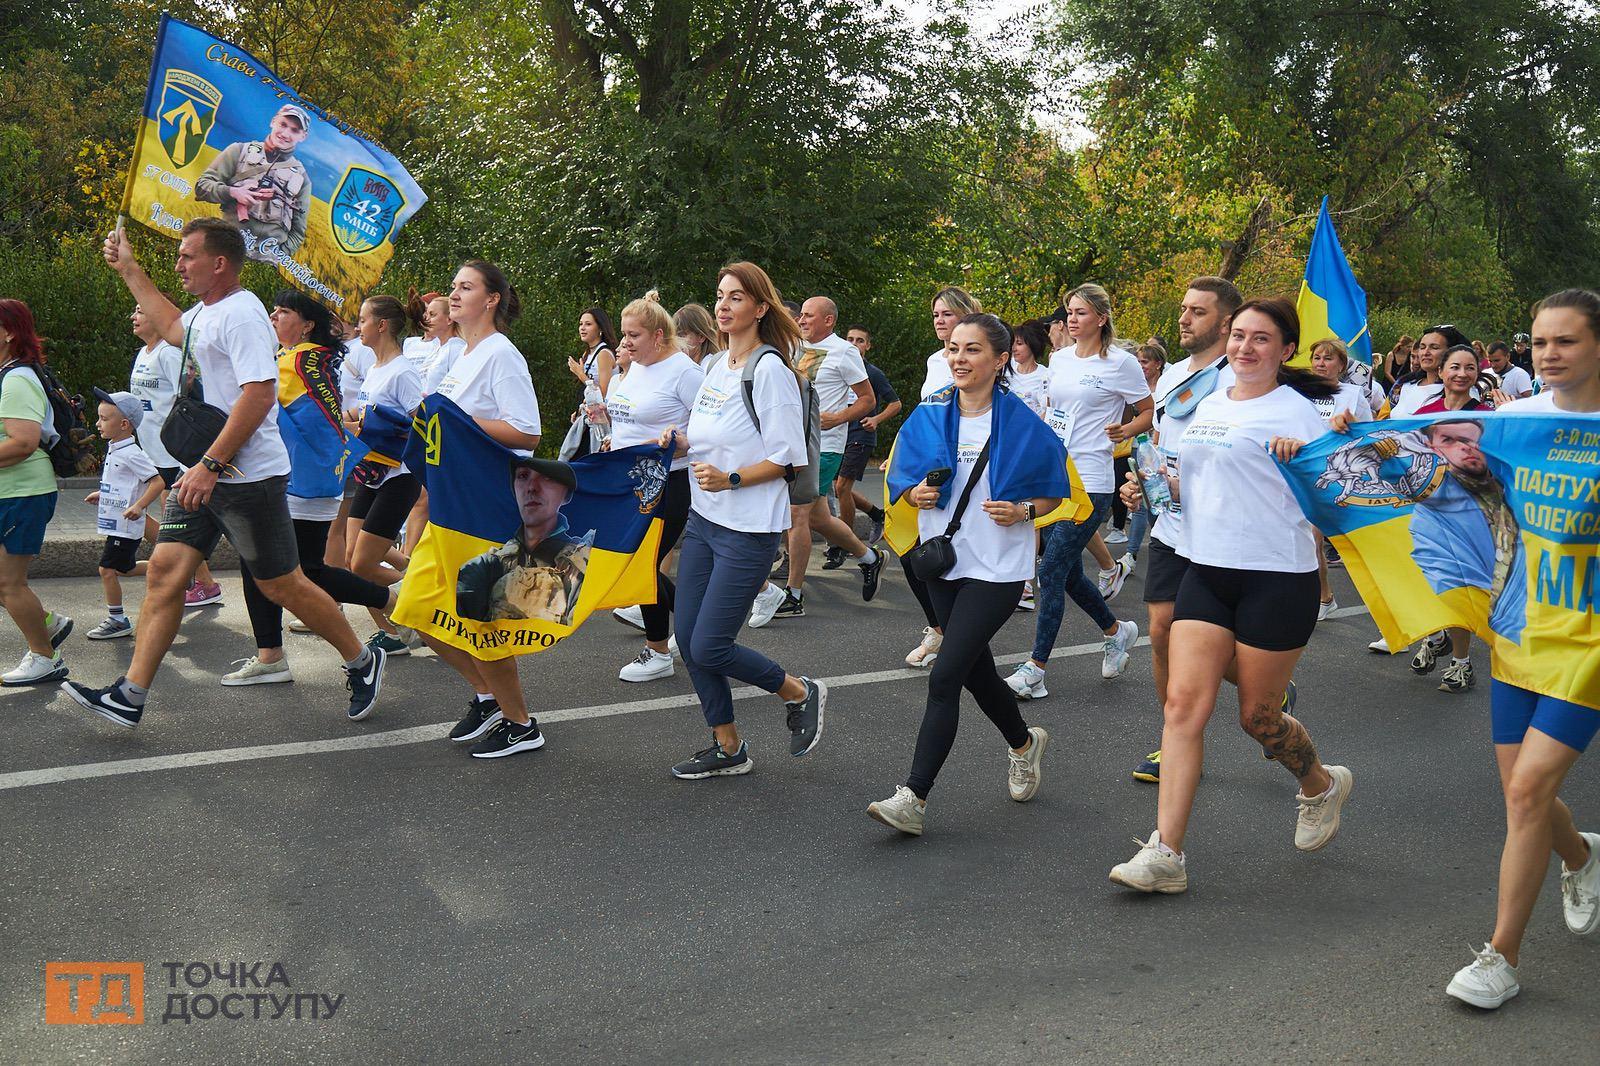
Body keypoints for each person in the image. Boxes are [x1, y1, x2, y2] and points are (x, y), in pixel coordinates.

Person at [66, 219, 387, 726]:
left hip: (245, 478)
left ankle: (362, 660)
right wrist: (129, 269)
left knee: (284, 585)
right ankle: (129, 694)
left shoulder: (242, 315)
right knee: (166, 577)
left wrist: (212, 465)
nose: (178, 266)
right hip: (203, 474)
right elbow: (173, 328)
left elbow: (259, 394)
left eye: (187, 256)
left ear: (219, 263)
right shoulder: (204, 314)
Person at [1109, 297, 1353, 894]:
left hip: (1277, 577)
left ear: (1286, 350)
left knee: (1257, 717)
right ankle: (1165, 853)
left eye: (1261, 339)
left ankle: (1320, 783)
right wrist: (1153, 489)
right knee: (1182, 708)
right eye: (1239, 335)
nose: (1246, 347)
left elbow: (1339, 503)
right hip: (1208, 570)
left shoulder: (1300, 414)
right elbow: (1192, 484)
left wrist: (1309, 465)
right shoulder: (1210, 403)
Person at [1440, 288, 1600, 1010]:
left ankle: (1500, 956)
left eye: (1564, 340)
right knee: (1520, 795)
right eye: (1539, 342)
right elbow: (1472, 499)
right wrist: (1349, 438)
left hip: (1591, 642)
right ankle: (1584, 855)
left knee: (1531, 789)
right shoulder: (1510, 421)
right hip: (1520, 628)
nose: (1549, 354)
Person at [867, 314, 1068, 835]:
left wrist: (1025, 511)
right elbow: (901, 476)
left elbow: (1054, 491)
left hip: (999, 567)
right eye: (955, 348)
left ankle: (913, 796)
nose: (959, 358)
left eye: (973, 349)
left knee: (945, 676)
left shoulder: (1022, 421)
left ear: (1000, 360)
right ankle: (1025, 744)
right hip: (944, 560)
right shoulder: (929, 414)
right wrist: (914, 493)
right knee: (974, 671)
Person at [655, 261, 827, 779]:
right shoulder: (714, 367)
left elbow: (786, 458)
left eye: (735, 297)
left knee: (710, 644)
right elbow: (712, 435)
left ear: (759, 307)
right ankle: (729, 748)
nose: (724, 306)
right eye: (720, 296)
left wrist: (730, 478)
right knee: (689, 642)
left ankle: (799, 691)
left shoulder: (770, 371)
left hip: (748, 528)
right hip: (705, 521)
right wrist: (681, 441)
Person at [221, 292, 398, 686]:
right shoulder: (312, 357)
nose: (273, 316)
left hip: (300, 479)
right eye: (274, 309)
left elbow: (249, 401)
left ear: (307, 326)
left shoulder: (293, 360)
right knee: (274, 568)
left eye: (283, 312)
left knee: (299, 572)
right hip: (313, 476)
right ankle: (270, 655)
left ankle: (393, 602)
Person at [1121, 278, 1245, 784]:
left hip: (1218, 528)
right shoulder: (1172, 373)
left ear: (1224, 322)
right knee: (1160, 630)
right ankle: (1171, 738)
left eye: (1197, 311)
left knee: (1208, 640)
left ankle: (1264, 690)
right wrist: (1138, 484)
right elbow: (1156, 438)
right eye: (1184, 309)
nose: (1184, 318)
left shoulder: (1239, 377)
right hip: (1170, 523)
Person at [428, 260, 547, 758]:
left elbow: (527, 432)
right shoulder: (462, 353)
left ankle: (521, 723)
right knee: (420, 612)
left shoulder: (502, 354)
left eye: (466, 287)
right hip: (451, 504)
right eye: (453, 287)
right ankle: (487, 698)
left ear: (491, 299)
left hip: (485, 506)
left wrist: (458, 421)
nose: (455, 295)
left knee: (483, 622)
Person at [1005, 283, 1147, 700]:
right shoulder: (1060, 359)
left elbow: (1146, 411)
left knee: (1049, 570)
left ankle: (1035, 670)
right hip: (1055, 477)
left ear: (1101, 318)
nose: (1071, 318)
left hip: (1094, 481)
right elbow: (1054, 412)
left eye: (1081, 312)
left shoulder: (1121, 363)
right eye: (1069, 311)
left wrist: (1126, 429)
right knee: (1064, 572)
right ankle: (1117, 631)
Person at [748, 296, 883, 622]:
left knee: (797, 516)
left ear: (828, 321)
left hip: (824, 446)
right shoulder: (791, 346)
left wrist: (837, 418)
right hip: (791, 444)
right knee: (819, 518)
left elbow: (868, 400)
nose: (802, 320)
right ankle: (869, 557)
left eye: (809, 316)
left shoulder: (844, 351)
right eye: (802, 315)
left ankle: (793, 595)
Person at [603, 291, 701, 682]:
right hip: (628, 480)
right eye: (624, 334)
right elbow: (631, 416)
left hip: (670, 481)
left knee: (640, 565)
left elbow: (714, 428)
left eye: (633, 335)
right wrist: (615, 435)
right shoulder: (637, 366)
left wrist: (683, 439)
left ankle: (659, 651)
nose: (625, 343)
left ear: (659, 335)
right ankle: (695, 625)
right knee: (634, 563)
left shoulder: (685, 372)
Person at [905, 286, 985, 668]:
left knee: (953, 552)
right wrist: (904, 455)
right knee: (914, 550)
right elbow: (926, 412)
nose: (939, 320)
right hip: (931, 464)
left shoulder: (985, 356)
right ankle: (941, 630)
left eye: (947, 314)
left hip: (970, 467)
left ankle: (955, 640)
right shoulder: (934, 360)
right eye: (936, 314)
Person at [342, 295, 424, 654]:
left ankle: (421, 603)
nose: (357, 327)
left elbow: (421, 428)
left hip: (399, 475)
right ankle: (396, 630)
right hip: (369, 471)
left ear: (382, 325)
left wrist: (374, 427)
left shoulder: (403, 371)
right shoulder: (374, 369)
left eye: (362, 320)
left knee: (361, 564)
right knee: (351, 560)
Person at [130, 306, 224, 607]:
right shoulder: (143, 353)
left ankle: (202, 583)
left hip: (171, 453)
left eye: (141, 311)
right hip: (147, 450)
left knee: (176, 522)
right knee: (143, 514)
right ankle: (190, 577)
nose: (134, 316)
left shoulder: (169, 354)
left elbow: (191, 395)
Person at [0, 298, 72, 684]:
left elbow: (23, 442)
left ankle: (45, 657)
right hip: (10, 492)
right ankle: (48, 623)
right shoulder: (7, 375)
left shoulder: (16, 379)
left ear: (9, 333)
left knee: (9, 583)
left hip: (22, 492)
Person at [456, 460, 588, 625]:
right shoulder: (489, 564)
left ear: (566, 494)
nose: (532, 487)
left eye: (547, 478)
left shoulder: (581, 562)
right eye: (523, 476)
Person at [83, 391, 162, 640]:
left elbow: (157, 482)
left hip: (127, 526)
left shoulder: (131, 453)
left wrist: (139, 506)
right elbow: (122, 484)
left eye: (104, 419)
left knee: (106, 569)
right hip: (117, 523)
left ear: (124, 424)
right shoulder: (115, 449)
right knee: (124, 568)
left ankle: (117, 620)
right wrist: (103, 494)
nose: (98, 424)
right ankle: (173, 571)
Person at [194, 104, 313, 260]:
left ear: (302, 136)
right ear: (273, 122)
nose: (285, 133)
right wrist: (232, 192)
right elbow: (202, 186)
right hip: (224, 250)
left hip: (264, 263)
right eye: (283, 124)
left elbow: (298, 232)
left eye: (294, 130)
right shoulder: (238, 151)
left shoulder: (301, 178)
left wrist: (276, 258)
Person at [829, 324, 901, 559]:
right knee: (840, 487)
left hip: (861, 435)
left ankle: (844, 543)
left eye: (860, 340)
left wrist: (876, 419)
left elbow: (895, 404)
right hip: (839, 435)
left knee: (841, 487)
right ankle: (876, 514)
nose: (854, 344)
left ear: (868, 346)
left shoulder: (873, 373)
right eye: (850, 339)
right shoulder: (839, 367)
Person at [564, 307, 618, 460]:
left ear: (600, 328)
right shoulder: (588, 354)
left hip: (603, 422)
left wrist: (580, 374)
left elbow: (603, 391)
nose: (582, 328)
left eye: (588, 324)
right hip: (590, 418)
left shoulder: (604, 354)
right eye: (581, 324)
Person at [1390, 324, 1467, 416]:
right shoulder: (1403, 384)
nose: (1426, 353)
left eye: (1434, 347)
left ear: (1452, 352)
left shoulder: (1462, 389)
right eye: (1422, 347)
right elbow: (1384, 419)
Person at [403, 289, 466, 395]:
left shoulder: (457, 348)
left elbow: (461, 389)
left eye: (432, 315)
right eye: (426, 314)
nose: (426, 319)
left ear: (449, 319)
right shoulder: (437, 348)